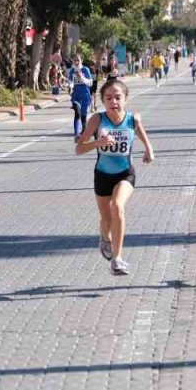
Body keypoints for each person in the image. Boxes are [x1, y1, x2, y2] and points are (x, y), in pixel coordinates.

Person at [76, 78, 155, 276]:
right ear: (103, 101)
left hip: (125, 173)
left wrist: (149, 150)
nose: (114, 102)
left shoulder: (132, 119)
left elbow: (142, 135)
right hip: (102, 174)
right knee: (106, 219)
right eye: (108, 98)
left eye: (118, 97)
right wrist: (99, 142)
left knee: (117, 207)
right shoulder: (97, 119)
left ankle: (117, 259)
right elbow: (79, 149)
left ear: (126, 99)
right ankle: (104, 236)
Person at [68, 54, 94, 140]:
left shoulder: (85, 69)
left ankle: (84, 132)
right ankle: (76, 134)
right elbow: (71, 82)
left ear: (81, 61)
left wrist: (82, 77)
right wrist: (70, 87)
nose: (76, 62)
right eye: (74, 60)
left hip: (85, 96)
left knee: (83, 116)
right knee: (77, 113)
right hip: (76, 96)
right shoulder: (72, 71)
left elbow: (90, 83)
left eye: (78, 60)